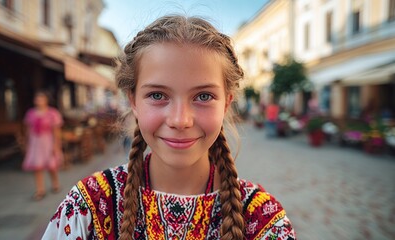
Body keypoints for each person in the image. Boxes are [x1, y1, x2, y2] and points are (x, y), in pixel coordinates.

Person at [42, 15, 296, 239]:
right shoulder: (88, 207)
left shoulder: (262, 219)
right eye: (157, 95)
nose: (180, 120)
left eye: (203, 96)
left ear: (227, 104)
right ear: (133, 101)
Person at [22, 90, 63, 201]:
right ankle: (40, 190)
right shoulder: (30, 113)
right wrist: (27, 144)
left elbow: (56, 131)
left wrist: (56, 145)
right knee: (37, 167)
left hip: (48, 141)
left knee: (51, 165)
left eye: (41, 98)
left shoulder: (52, 113)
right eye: (37, 98)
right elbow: (28, 130)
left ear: (46, 100)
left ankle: (55, 183)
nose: (39, 100)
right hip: (35, 142)